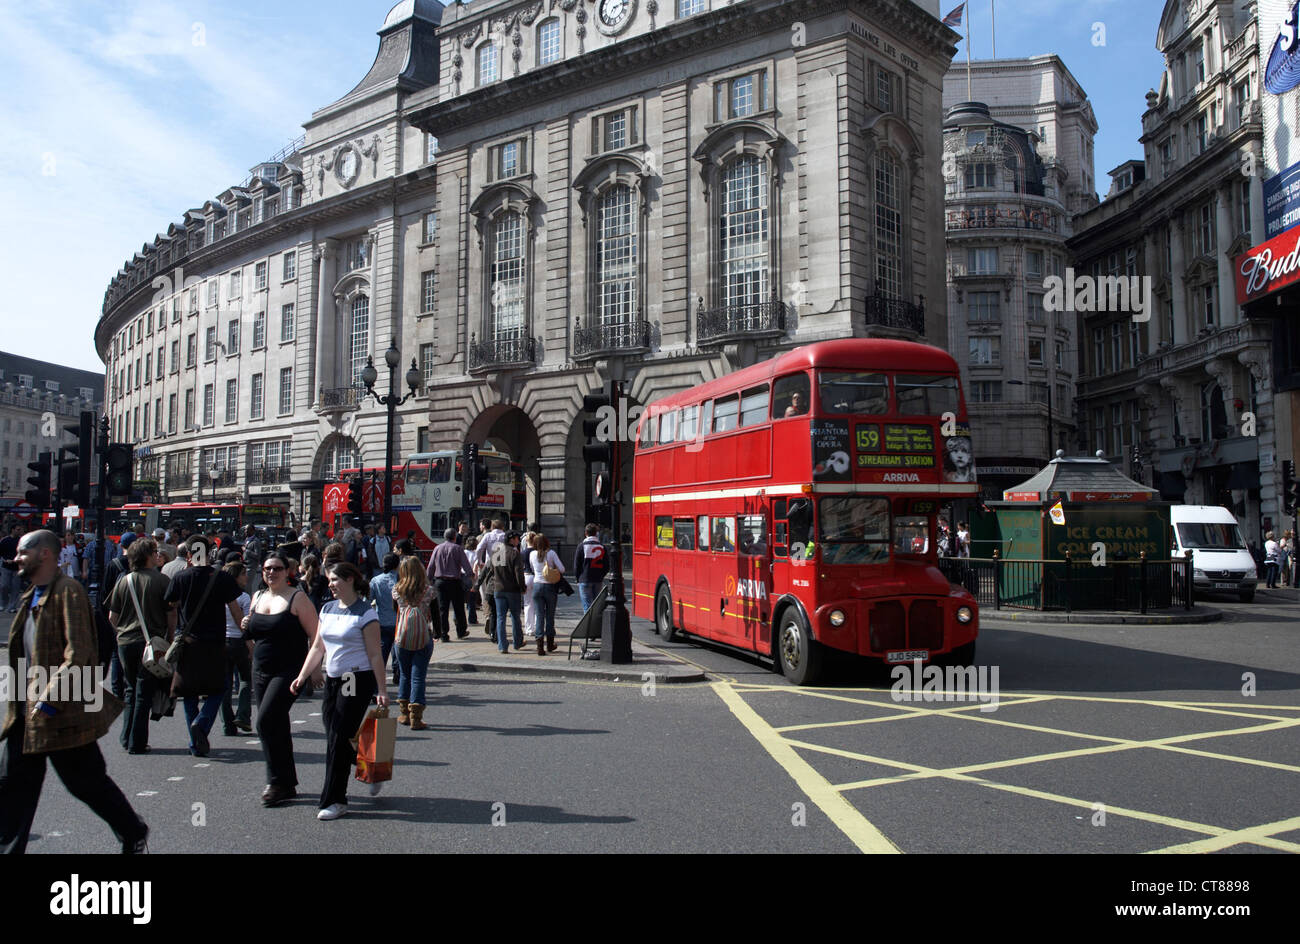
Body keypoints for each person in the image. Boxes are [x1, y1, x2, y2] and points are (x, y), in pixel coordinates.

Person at [0, 530, 149, 854]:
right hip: (25, 714)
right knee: (13, 791)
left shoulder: (69, 592)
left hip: (60, 714)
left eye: (23, 551)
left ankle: (132, 830)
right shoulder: (31, 595)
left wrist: (49, 700)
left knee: (87, 784)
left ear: (45, 555)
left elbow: (79, 652)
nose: (16, 558)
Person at [292, 562, 389, 821]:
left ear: (350, 580)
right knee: (337, 737)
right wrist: (302, 676)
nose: (331, 584)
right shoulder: (327, 609)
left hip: (356, 678)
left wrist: (382, 689)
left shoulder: (366, 613)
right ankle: (370, 768)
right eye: (329, 580)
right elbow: (317, 648)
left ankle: (335, 800)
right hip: (334, 679)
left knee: (337, 736)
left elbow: (375, 654)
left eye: (335, 579)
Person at [242, 552, 318, 807]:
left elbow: (316, 635)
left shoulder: (297, 598)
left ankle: (275, 782)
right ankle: (286, 783)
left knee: (265, 722)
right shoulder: (258, 596)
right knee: (277, 725)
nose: (271, 573)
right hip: (260, 669)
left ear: (288, 572)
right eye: (267, 569)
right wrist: (246, 624)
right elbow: (251, 632)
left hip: (289, 671)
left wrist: (314, 670)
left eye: (276, 568)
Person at [164, 537, 243, 757]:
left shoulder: (180, 577)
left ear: (189, 554)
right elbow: (235, 610)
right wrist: (246, 636)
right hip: (216, 642)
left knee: (189, 693)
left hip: (188, 642)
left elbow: (170, 607)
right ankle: (203, 722)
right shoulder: (222, 577)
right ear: (209, 553)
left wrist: (172, 636)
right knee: (219, 688)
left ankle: (194, 743)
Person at [106, 538, 174, 755]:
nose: (157, 555)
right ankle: (137, 742)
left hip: (126, 641)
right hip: (151, 642)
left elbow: (112, 617)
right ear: (146, 556)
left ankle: (126, 737)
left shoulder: (124, 581)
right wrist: (170, 637)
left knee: (130, 690)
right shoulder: (162, 580)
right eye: (154, 552)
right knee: (144, 692)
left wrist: (121, 634)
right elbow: (170, 613)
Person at [392, 556, 435, 729]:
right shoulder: (429, 591)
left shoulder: (397, 590)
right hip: (423, 635)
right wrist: (437, 632)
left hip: (402, 636)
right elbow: (436, 615)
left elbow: (395, 610)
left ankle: (403, 713)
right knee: (418, 676)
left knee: (404, 674)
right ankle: (416, 717)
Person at [219, 561, 253, 737]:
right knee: (245, 678)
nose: (246, 577)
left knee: (225, 684)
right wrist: (249, 641)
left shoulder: (218, 595)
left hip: (222, 641)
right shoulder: (243, 597)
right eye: (243, 574)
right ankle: (243, 715)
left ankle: (227, 724)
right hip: (238, 641)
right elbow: (246, 621)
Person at [482, 530, 527, 653]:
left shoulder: (497, 552)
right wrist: (522, 587)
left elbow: (490, 569)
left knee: (501, 617)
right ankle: (517, 642)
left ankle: (502, 645)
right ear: (511, 539)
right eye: (517, 538)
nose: (518, 540)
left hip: (498, 589)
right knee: (515, 617)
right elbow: (519, 573)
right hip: (512, 590)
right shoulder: (514, 553)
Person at [427, 529, 473, 640]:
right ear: (454, 537)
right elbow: (466, 565)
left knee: (442, 608)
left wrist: (428, 580)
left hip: (440, 582)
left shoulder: (437, 548)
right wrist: (470, 575)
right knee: (458, 608)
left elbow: (431, 566)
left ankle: (443, 634)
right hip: (454, 582)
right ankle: (461, 631)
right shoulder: (458, 548)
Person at [527, 533, 565, 655]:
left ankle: (539, 647)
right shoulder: (551, 553)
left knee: (539, 616)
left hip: (537, 586)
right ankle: (550, 644)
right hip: (550, 586)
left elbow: (533, 569)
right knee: (550, 616)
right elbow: (562, 569)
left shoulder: (532, 554)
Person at [369, 553, 401, 687]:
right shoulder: (402, 580)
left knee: (381, 653)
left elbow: (369, 600)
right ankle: (397, 672)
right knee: (398, 650)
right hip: (399, 621)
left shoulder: (376, 580)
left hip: (382, 620)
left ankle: (375, 682)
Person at [572, 523, 610, 612]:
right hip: (597, 579)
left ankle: (589, 625)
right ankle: (597, 624)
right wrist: (601, 575)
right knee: (597, 606)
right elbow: (607, 566)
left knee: (587, 607)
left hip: (584, 579)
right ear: (596, 533)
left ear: (586, 533)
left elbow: (577, 565)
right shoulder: (602, 547)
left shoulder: (581, 546)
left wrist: (578, 578)